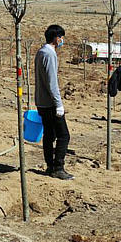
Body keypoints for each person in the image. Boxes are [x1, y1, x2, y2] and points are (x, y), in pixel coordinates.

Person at [34, 24, 72, 180]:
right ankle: (58, 167)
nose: (62, 41)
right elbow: (52, 82)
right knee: (64, 135)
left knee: (49, 135)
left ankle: (50, 166)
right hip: (49, 103)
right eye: (61, 37)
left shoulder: (41, 51)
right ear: (57, 38)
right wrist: (59, 104)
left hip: (41, 101)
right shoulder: (49, 54)